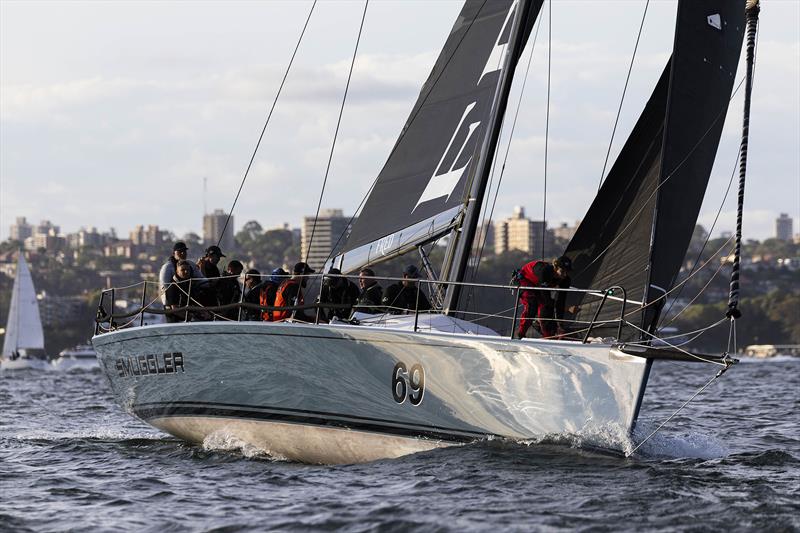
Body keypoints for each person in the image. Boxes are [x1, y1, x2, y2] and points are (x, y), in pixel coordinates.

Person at [514, 255, 574, 339]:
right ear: (555, 267)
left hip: (538, 285)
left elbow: (561, 300)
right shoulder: (545, 271)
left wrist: (560, 323)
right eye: (562, 271)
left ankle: (549, 337)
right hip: (525, 280)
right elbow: (546, 298)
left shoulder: (566, 280)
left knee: (546, 308)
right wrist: (567, 308)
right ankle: (520, 335)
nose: (565, 274)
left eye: (567, 271)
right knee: (532, 305)